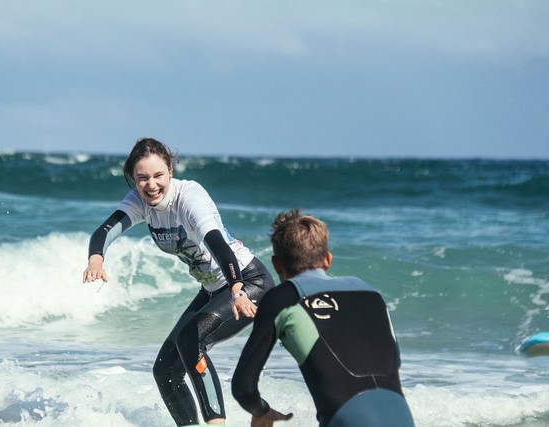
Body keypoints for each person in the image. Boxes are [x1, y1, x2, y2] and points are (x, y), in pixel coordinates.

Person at [83, 138, 276, 426]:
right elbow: (106, 229)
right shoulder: (140, 201)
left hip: (248, 283)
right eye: (142, 178)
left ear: (170, 171)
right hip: (213, 290)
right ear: (133, 179)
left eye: (158, 175)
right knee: (165, 370)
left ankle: (216, 424)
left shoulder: (189, 198)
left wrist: (237, 288)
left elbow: (217, 244)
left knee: (191, 340)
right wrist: (96, 258)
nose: (151, 185)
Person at [232, 209, 415, 427]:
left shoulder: (283, 298)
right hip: (402, 417)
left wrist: (261, 411)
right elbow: (393, 361)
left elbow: (243, 388)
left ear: (276, 264)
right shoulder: (371, 294)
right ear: (328, 259)